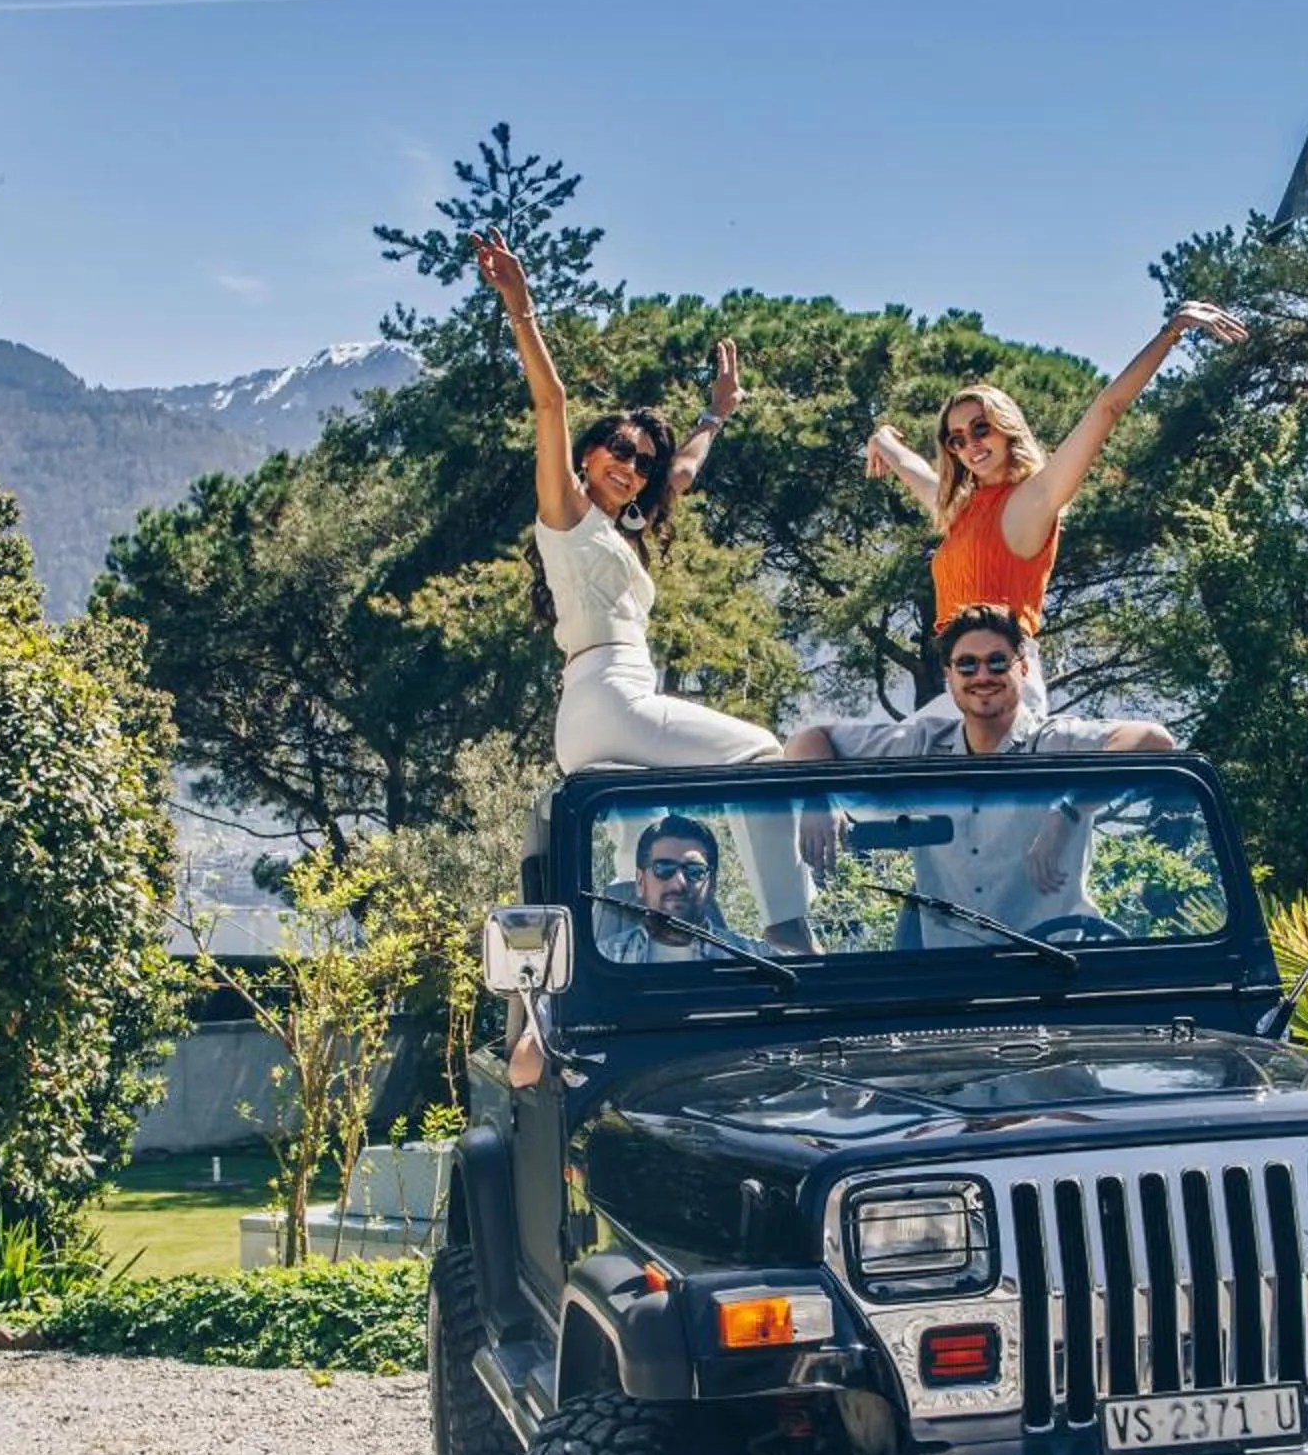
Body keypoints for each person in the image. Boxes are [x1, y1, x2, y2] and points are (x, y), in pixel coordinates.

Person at [478, 230, 811, 943]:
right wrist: (520, 303)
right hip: (614, 697)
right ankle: (790, 931)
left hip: (587, 721)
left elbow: (683, 470)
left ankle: (633, 950)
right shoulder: (564, 513)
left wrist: (719, 410)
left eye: (641, 461)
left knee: (644, 843)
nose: (630, 465)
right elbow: (550, 402)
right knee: (762, 756)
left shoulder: (618, 529)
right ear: (590, 453)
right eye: (618, 450)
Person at [862, 297, 1249, 712]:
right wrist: (882, 436)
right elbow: (909, 466)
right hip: (961, 679)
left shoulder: (1033, 499)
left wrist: (1171, 332)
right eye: (957, 439)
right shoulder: (959, 510)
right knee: (846, 752)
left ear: (1007, 429)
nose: (970, 444)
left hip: (1006, 679)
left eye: (980, 428)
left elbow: (1107, 408)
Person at [787, 604, 1174, 943]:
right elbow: (808, 739)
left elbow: (1154, 741)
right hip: (954, 986)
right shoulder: (921, 746)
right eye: (967, 664)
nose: (982, 675)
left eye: (997, 662)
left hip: (1059, 973)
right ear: (949, 676)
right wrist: (818, 795)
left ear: (1021, 668)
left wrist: (1068, 808)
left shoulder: (1055, 742)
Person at [592, 813, 762, 964]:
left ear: (713, 885)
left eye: (694, 871)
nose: (678, 883)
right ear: (640, 882)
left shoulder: (760, 961)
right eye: (663, 868)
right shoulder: (599, 962)